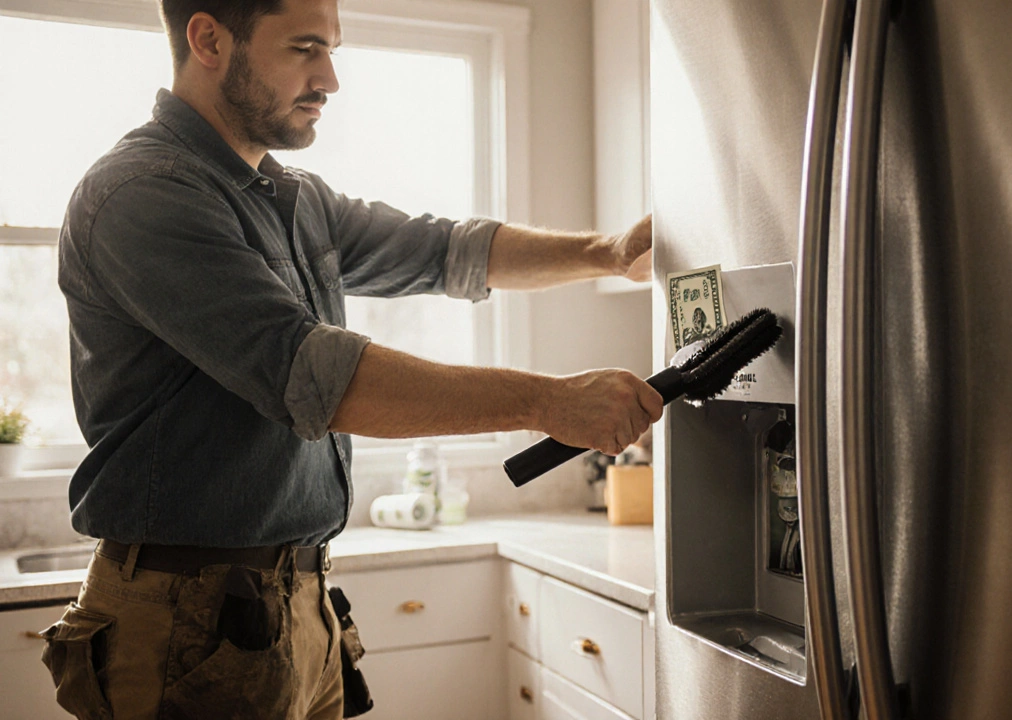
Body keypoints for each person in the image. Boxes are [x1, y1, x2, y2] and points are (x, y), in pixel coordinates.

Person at [39, 0, 663, 717]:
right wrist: (548, 401)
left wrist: (606, 254)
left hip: (295, 605)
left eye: (331, 50)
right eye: (305, 49)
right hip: (183, 618)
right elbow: (316, 376)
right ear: (209, 39)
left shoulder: (295, 198)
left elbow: (446, 250)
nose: (330, 78)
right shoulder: (142, 194)